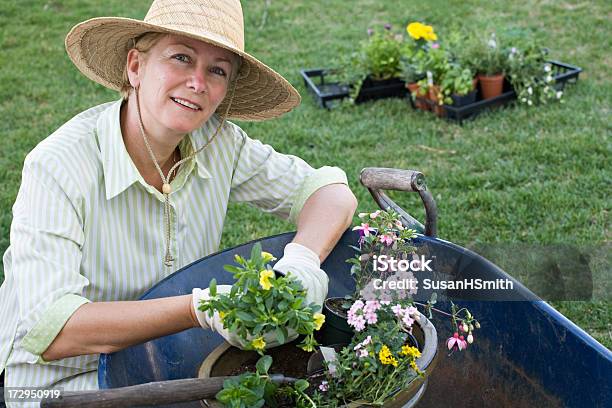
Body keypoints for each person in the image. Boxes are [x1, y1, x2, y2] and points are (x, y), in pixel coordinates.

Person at [0, 0, 357, 402]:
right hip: (63, 385)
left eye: (217, 70)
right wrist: (199, 308)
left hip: (170, 362)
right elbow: (51, 330)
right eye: (181, 58)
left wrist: (302, 259)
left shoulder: (218, 142)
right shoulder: (59, 165)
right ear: (135, 66)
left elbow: (327, 191)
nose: (197, 82)